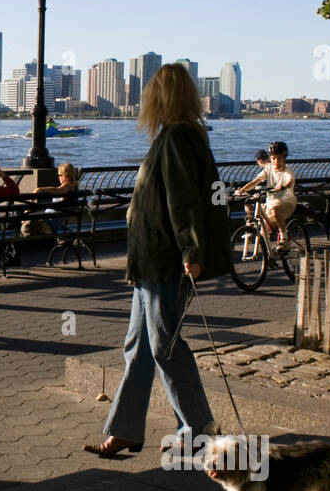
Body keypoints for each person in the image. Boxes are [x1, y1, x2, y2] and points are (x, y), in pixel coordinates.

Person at [84, 63, 228, 458]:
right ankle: (126, 429)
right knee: (139, 346)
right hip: (150, 263)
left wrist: (191, 250)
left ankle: (198, 430)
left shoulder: (178, 138)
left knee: (164, 345)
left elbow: (183, 202)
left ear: (160, 97)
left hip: (165, 261)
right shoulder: (181, 136)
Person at [233, 140, 297, 248]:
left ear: (284, 158)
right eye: (273, 158)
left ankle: (284, 237)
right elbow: (255, 181)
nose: (276, 161)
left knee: (275, 208)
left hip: (287, 202)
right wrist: (242, 190)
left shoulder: (287, 171)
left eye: (279, 158)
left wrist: (283, 186)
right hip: (271, 203)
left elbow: (289, 181)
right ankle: (268, 257)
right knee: (263, 232)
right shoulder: (268, 169)